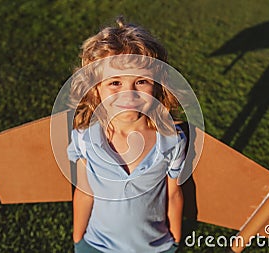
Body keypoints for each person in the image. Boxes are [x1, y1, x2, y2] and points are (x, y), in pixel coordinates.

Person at [67, 17, 187, 253]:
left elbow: (173, 194)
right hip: (96, 245)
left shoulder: (172, 140)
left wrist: (175, 240)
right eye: (115, 83)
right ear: (95, 89)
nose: (128, 95)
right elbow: (83, 192)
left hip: (156, 247)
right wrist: (78, 239)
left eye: (141, 81)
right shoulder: (83, 137)